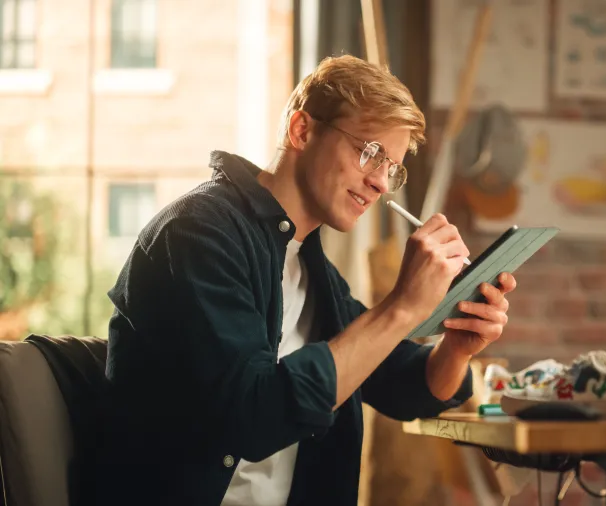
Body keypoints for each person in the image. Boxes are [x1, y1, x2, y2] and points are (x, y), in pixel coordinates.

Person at [95, 55, 517, 506]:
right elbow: (253, 416)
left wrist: (457, 344)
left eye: (391, 168)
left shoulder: (311, 268)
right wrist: (402, 307)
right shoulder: (197, 232)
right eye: (369, 152)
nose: (379, 183)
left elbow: (405, 386)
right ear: (302, 130)